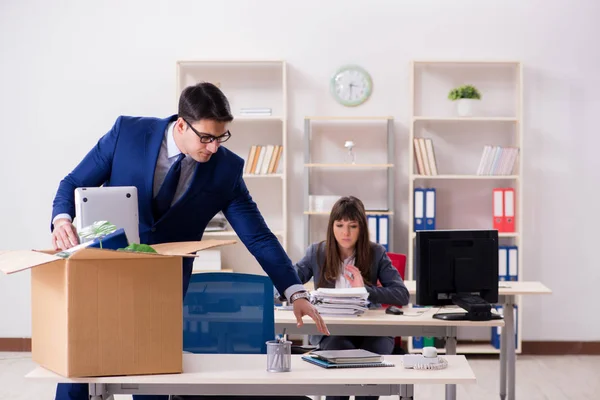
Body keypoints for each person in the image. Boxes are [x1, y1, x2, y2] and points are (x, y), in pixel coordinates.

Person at [50, 82, 329, 400]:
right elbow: (74, 181)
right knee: (79, 371)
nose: (213, 148)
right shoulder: (127, 133)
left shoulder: (226, 169)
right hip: (104, 273)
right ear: (181, 124)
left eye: (220, 138)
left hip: (163, 285)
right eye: (206, 138)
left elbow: (258, 236)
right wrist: (62, 220)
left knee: (151, 381)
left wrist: (295, 293)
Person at [293, 196, 409, 400]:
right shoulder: (317, 252)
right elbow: (288, 283)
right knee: (339, 359)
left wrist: (364, 289)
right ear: (332, 226)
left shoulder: (376, 253)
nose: (345, 233)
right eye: (340, 225)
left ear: (361, 228)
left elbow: (401, 294)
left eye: (352, 226)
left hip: (372, 331)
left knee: (371, 364)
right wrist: (300, 296)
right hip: (331, 331)